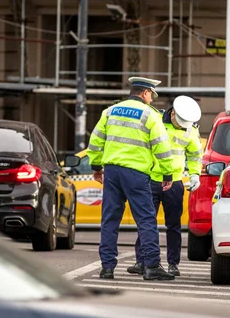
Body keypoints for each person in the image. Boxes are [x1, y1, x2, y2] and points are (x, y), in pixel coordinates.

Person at [87, 77, 176, 281]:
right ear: (145, 93)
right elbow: (162, 147)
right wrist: (167, 172)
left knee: (110, 220)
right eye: (151, 96)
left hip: (111, 172)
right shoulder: (150, 115)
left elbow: (96, 140)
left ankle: (107, 268)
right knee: (146, 219)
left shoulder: (110, 111)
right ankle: (152, 266)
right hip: (136, 174)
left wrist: (96, 166)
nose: (152, 100)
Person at [127, 95, 203, 277]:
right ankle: (142, 261)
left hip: (175, 182)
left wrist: (195, 174)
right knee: (146, 222)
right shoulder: (156, 122)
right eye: (181, 122)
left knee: (174, 226)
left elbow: (194, 155)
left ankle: (173, 263)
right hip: (151, 179)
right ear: (173, 113)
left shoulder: (190, 129)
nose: (182, 126)